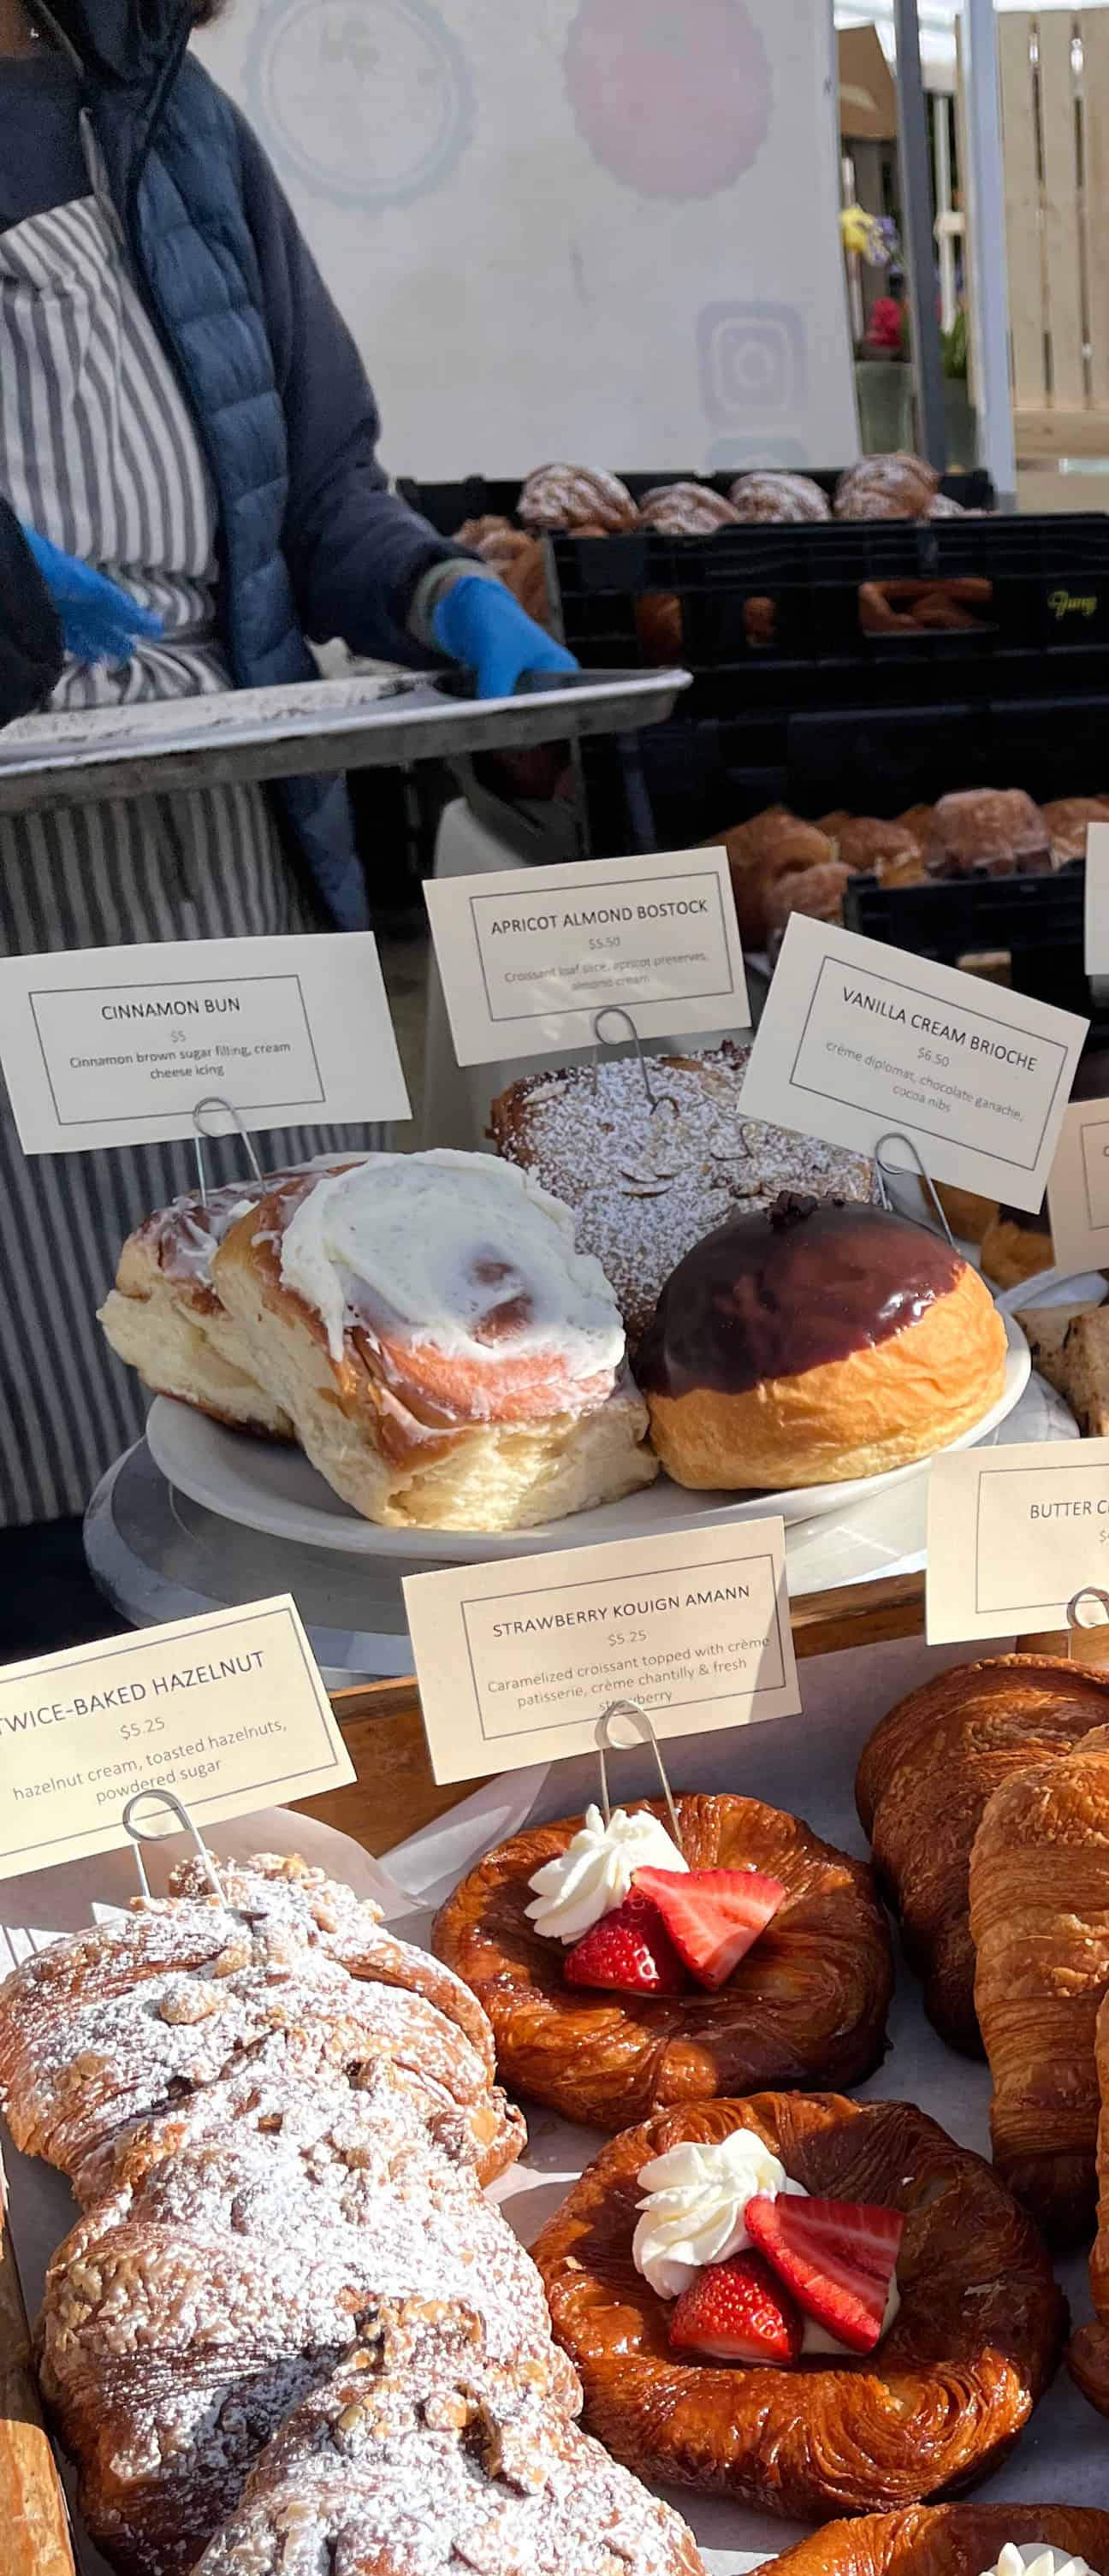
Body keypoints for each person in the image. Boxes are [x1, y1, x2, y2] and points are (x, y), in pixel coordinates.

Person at [0, 0, 575, 1615]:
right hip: (21, 880)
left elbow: (322, 492)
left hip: (240, 823)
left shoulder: (176, 127)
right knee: (68, 1400)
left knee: (320, 1332)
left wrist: (442, 589)